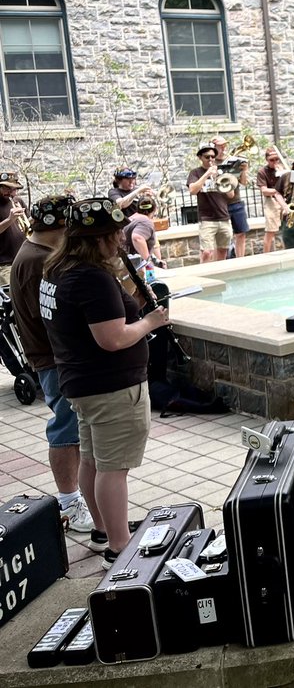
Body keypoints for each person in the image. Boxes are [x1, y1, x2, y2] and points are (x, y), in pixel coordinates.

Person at [40, 198, 168, 567]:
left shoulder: (58, 268)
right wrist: (150, 322)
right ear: (100, 237)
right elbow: (111, 339)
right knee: (114, 468)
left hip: (82, 382)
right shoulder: (91, 278)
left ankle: (103, 528)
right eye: (115, 233)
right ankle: (118, 547)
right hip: (111, 386)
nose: (121, 239)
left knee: (94, 460)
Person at [9, 194, 96, 538]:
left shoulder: (38, 254)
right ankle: (69, 502)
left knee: (70, 427)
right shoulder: (36, 261)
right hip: (54, 360)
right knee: (65, 428)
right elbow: (49, 318)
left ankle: (73, 498)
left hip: (56, 357)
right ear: (59, 226)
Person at [186, 143, 235, 263]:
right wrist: (207, 174)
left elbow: (231, 195)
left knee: (223, 250)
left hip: (223, 217)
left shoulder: (222, 172)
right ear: (200, 158)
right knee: (207, 252)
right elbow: (192, 190)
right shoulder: (195, 173)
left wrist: (221, 177)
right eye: (207, 157)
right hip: (207, 219)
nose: (211, 159)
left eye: (213, 157)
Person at [212, 136, 250, 258]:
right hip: (219, 204)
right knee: (223, 237)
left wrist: (244, 170)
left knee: (241, 233)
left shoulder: (232, 160)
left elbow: (243, 182)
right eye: (220, 146)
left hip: (236, 201)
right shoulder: (211, 163)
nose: (223, 148)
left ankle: (240, 260)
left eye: (224, 145)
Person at [256, 146, 289, 254]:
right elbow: (264, 190)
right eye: (271, 160)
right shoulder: (262, 172)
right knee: (271, 230)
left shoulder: (283, 169)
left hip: (285, 199)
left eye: (277, 159)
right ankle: (266, 256)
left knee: (287, 228)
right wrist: (276, 191)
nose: (275, 162)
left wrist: (283, 174)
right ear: (267, 160)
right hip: (272, 200)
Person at [123, 196, 164, 272]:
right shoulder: (145, 221)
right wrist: (149, 264)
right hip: (136, 268)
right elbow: (137, 238)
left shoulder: (131, 219)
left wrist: (156, 261)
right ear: (155, 209)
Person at [0, 169, 27, 285]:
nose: (12, 193)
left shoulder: (18, 201)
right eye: (7, 188)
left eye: (14, 189)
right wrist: (9, 220)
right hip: (5, 265)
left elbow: (28, 224)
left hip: (22, 260)